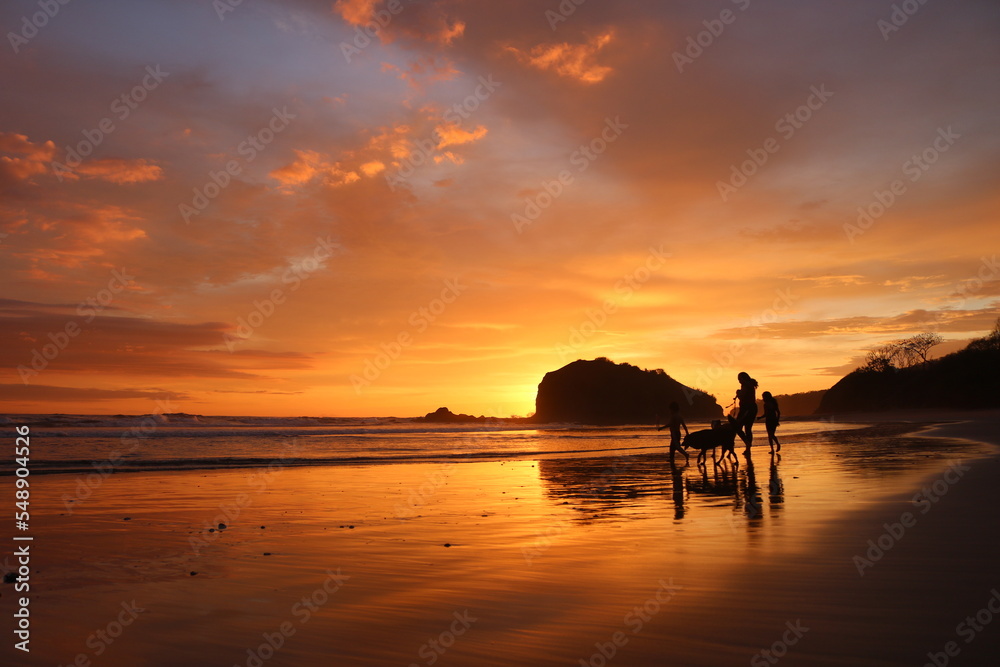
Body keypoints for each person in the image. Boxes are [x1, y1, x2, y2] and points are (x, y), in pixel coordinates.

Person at [733, 371, 758, 452]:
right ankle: (748, 447)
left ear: (743, 378)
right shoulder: (751, 385)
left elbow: (742, 397)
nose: (739, 381)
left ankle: (747, 444)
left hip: (747, 409)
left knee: (737, 427)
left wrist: (738, 392)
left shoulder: (746, 385)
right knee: (748, 428)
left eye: (739, 379)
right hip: (752, 408)